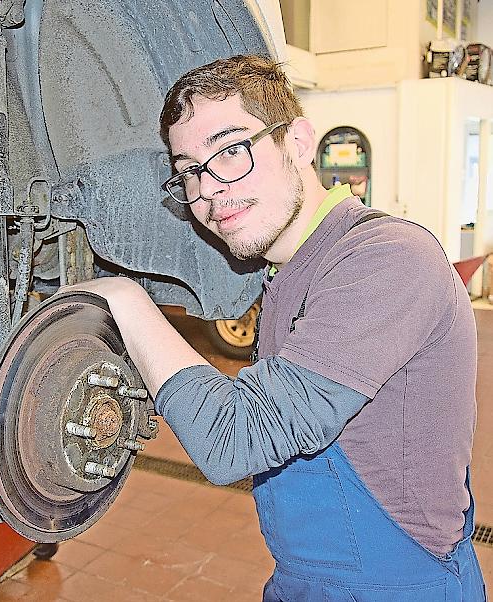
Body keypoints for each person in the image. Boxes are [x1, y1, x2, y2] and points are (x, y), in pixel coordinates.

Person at [68, 55, 486, 601]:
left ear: (298, 141)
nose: (209, 192)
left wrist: (126, 298)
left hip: (395, 587)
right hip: (304, 581)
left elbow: (234, 440)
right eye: (190, 169)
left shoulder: (389, 257)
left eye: (231, 151)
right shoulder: (285, 271)